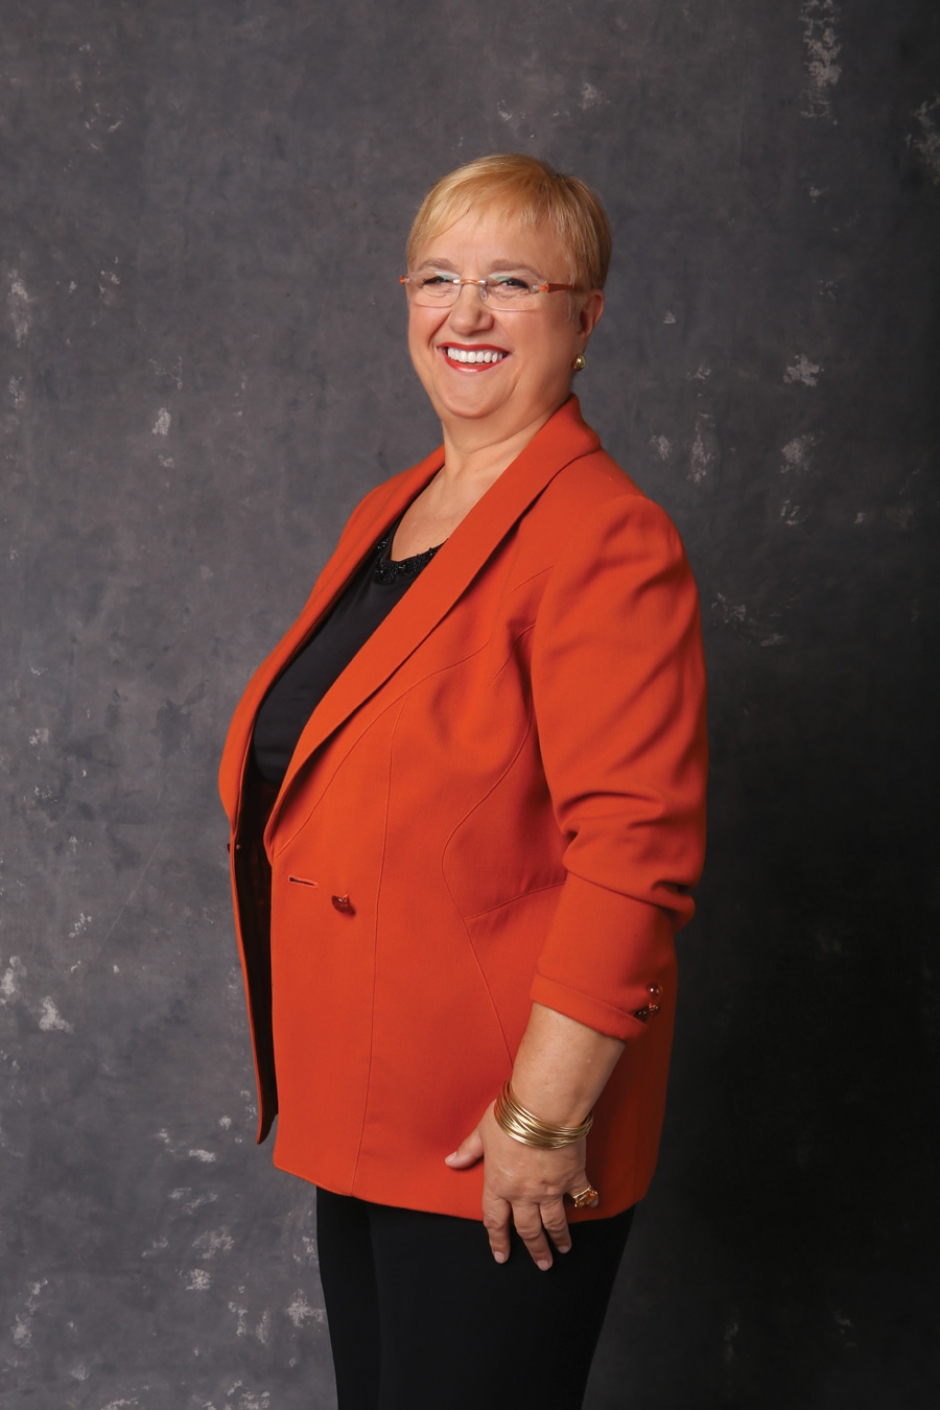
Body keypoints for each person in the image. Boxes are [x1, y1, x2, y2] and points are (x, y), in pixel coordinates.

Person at [219, 153, 707, 1410]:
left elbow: (634, 858)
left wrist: (541, 1124)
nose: (465, 313)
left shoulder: (606, 537)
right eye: (436, 278)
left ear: (584, 319)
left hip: (496, 1128)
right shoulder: (393, 511)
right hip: (369, 1102)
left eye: (512, 283)